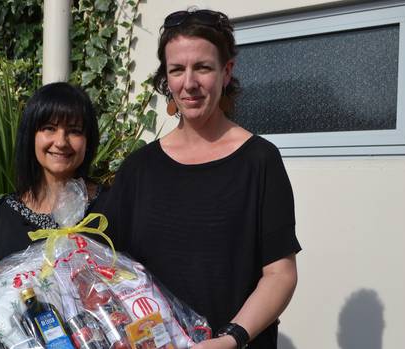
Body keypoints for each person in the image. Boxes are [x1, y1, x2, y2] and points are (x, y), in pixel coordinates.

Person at [101, 9, 301, 349]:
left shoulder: (260, 161)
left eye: (203, 67)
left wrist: (231, 339)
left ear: (227, 71)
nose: (189, 83)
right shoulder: (139, 169)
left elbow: (280, 274)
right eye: (177, 69)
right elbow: (99, 261)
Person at [0, 82, 106, 348]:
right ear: (31, 135)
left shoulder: (109, 209)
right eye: (49, 128)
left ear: (88, 141)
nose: (61, 141)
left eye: (74, 131)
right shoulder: (4, 215)